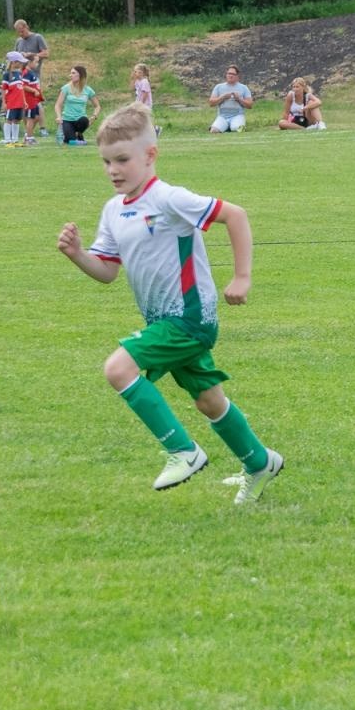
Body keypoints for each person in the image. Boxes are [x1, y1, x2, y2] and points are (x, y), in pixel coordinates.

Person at [55, 102, 286, 502]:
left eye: (123, 159)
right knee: (208, 400)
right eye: (106, 162)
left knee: (118, 367)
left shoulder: (168, 199)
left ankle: (183, 451)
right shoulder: (113, 211)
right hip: (164, 320)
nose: (113, 170)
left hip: (188, 318)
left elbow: (236, 215)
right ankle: (259, 462)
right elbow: (108, 271)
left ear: (150, 155)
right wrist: (78, 255)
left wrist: (242, 277)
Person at [13, 19, 51, 138]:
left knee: (36, 101)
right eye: (18, 32)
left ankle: (42, 127)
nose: (20, 34)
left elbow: (46, 53)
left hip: (34, 75)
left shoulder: (37, 37)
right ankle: (28, 130)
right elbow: (14, 57)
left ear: (26, 27)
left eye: (22, 31)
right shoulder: (18, 41)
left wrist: (32, 55)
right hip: (21, 75)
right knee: (25, 103)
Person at [54, 64, 101, 145]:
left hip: (80, 120)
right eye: (70, 73)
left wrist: (94, 116)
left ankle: (78, 133)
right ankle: (76, 136)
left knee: (84, 120)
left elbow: (97, 106)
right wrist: (59, 117)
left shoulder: (88, 90)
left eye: (73, 73)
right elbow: (58, 105)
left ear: (80, 75)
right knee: (69, 141)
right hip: (67, 120)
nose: (70, 75)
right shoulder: (66, 88)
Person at [208, 64, 253, 133]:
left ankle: (235, 126)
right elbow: (211, 103)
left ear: (237, 76)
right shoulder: (218, 87)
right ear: (226, 75)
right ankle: (224, 126)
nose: (230, 75)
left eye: (233, 74)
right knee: (214, 131)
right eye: (229, 73)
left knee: (237, 130)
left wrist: (239, 99)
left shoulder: (244, 88)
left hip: (237, 115)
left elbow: (250, 105)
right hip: (222, 116)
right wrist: (223, 97)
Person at [0, 51, 30, 147]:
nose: (21, 64)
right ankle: (7, 139)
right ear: (13, 62)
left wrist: (24, 101)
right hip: (11, 102)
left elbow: (21, 89)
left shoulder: (19, 74)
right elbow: (3, 89)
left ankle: (15, 140)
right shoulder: (7, 75)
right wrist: (4, 102)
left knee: (17, 120)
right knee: (9, 119)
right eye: (19, 62)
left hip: (19, 102)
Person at [131, 63, 159, 137]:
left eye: (138, 72)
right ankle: (150, 131)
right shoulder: (137, 81)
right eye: (135, 72)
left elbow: (145, 94)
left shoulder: (144, 81)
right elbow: (133, 88)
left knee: (144, 118)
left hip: (145, 104)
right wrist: (133, 78)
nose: (136, 73)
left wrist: (141, 104)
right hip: (139, 102)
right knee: (141, 119)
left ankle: (154, 130)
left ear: (143, 73)